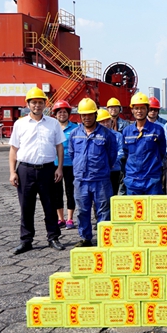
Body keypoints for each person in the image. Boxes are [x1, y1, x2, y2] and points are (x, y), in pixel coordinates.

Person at [8, 87, 65, 255]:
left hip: (48, 170)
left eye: (40, 102)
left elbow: (59, 146)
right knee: (26, 207)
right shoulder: (20, 124)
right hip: (25, 170)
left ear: (45, 104)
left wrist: (59, 168)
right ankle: (26, 240)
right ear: (28, 104)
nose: (37, 105)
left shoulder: (53, 123)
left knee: (50, 205)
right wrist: (12, 172)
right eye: (34, 102)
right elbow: (13, 149)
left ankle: (53, 237)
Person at [67, 98, 117, 247]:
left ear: (95, 114)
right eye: (84, 115)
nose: (87, 117)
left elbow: (112, 156)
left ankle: (103, 239)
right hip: (81, 180)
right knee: (82, 211)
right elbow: (72, 154)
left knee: (104, 211)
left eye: (89, 114)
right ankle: (85, 238)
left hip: (101, 180)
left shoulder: (107, 134)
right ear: (80, 116)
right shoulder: (74, 134)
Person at [122, 92, 167, 195]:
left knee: (154, 206)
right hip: (132, 179)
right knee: (134, 206)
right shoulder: (127, 131)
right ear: (132, 110)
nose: (139, 111)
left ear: (147, 109)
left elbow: (162, 152)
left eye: (142, 108)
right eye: (136, 108)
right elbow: (126, 153)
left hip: (152, 180)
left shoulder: (157, 130)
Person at [51, 100, 77, 230]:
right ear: (55, 114)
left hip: (71, 165)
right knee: (57, 192)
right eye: (59, 112)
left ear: (68, 114)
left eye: (64, 112)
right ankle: (60, 219)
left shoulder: (75, 128)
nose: (62, 114)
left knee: (70, 191)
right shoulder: (52, 128)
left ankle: (70, 219)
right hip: (54, 164)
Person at [97, 109, 124, 196]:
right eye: (102, 122)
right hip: (99, 170)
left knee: (113, 194)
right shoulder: (94, 136)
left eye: (107, 121)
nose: (106, 124)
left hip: (114, 169)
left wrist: (111, 161)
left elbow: (121, 151)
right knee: (99, 195)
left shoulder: (118, 135)